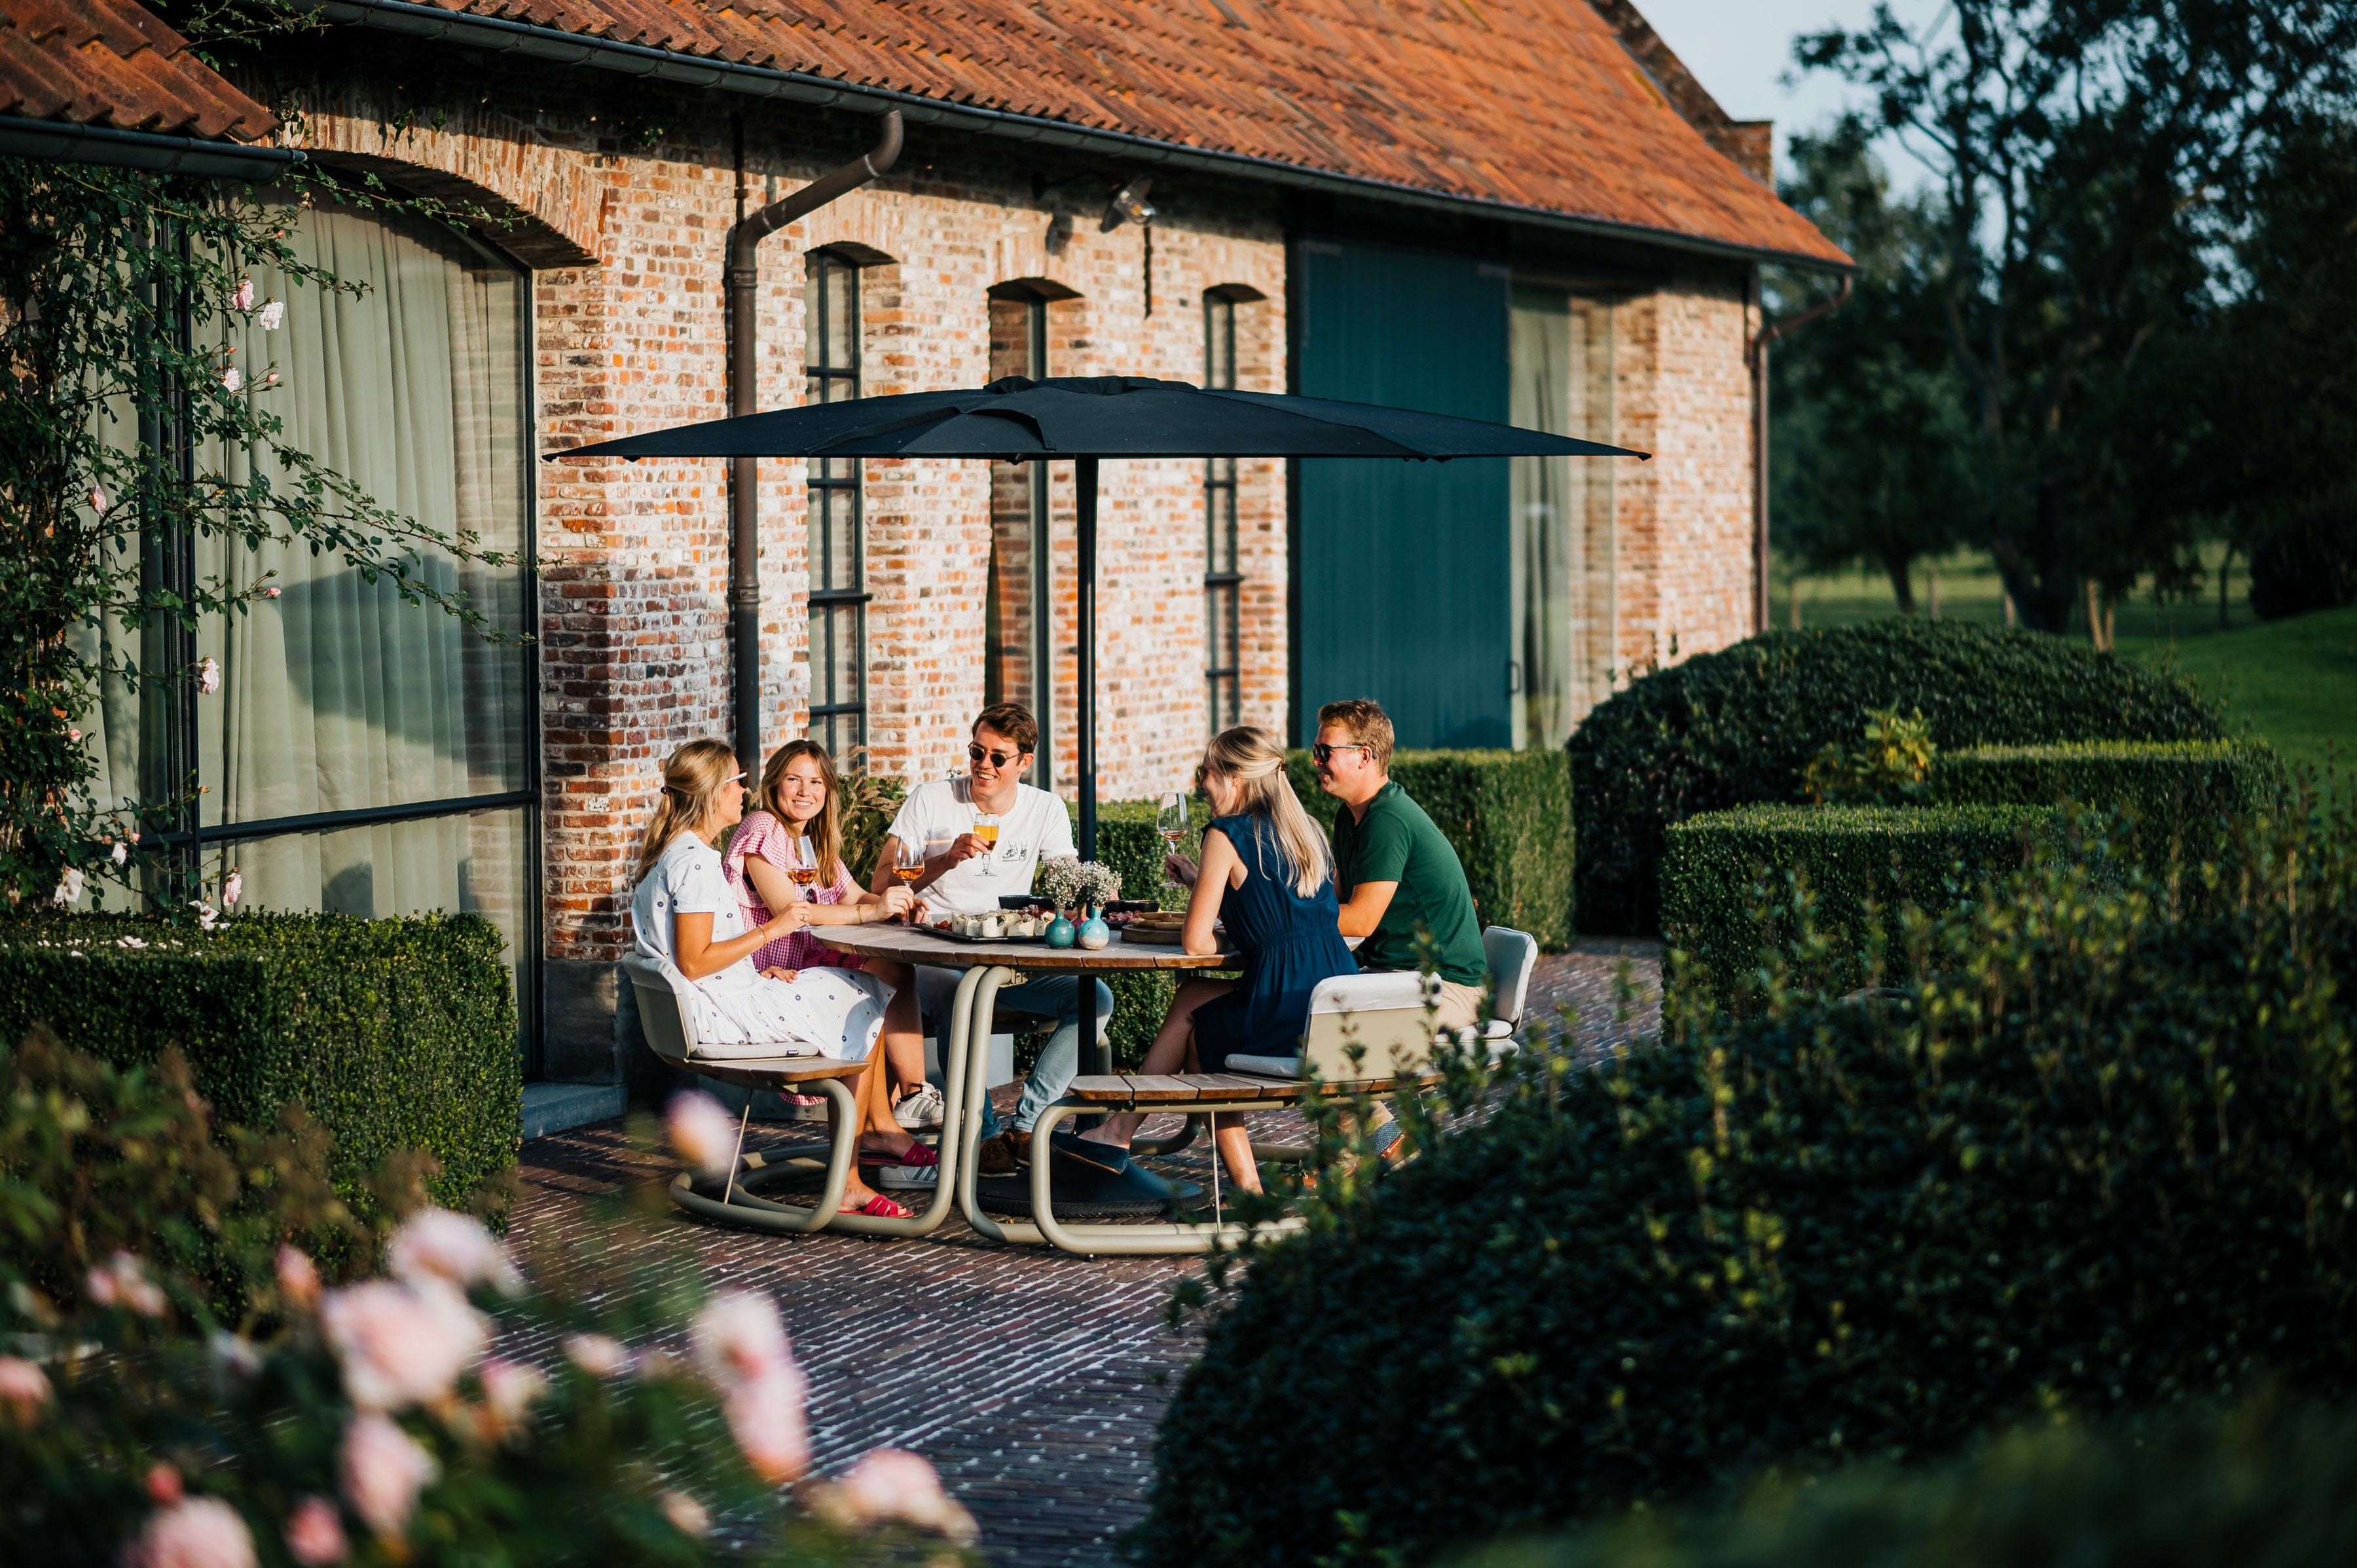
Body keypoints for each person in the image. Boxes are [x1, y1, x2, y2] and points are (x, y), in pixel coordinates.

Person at [632, 738, 934, 1218]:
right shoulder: (697, 860)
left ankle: (869, 1146)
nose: (744, 789)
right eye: (736, 781)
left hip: (734, 995)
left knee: (870, 985)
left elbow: (702, 955)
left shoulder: (684, 854)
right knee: (865, 995)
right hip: (730, 1014)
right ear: (712, 792)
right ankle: (852, 1175)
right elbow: (693, 962)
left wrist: (882, 905)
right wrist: (771, 933)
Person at [1073, 725, 1357, 1194]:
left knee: (1200, 1035)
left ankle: (1135, 1141)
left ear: (1235, 777)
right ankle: (1124, 1137)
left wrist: (1213, 907)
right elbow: (1276, 909)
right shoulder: (1307, 831)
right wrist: (1200, 882)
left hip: (1283, 1009)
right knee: (1194, 1000)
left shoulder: (1226, 834)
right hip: (1331, 997)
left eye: (1206, 772)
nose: (1201, 783)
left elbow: (1196, 943)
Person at [868, 703, 1113, 1177]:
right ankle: (980, 1139)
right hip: (936, 953)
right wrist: (944, 859)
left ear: (1024, 762)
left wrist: (1087, 891)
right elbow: (881, 883)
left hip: (1006, 958)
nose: (983, 764)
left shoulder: (1045, 808)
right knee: (964, 996)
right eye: (977, 751)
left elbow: (1065, 874)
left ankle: (1025, 1125)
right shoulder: (931, 800)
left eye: (999, 757)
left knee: (1094, 999)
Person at [724, 738, 940, 1137]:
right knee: (877, 982)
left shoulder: (813, 842)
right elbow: (789, 909)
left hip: (810, 959)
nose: (806, 792)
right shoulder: (763, 827)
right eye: (794, 780)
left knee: (895, 970)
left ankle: (910, 1098)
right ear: (774, 785)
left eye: (817, 783)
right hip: (769, 969)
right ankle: (883, 1126)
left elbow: (854, 894)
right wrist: (871, 912)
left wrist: (894, 903)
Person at [1313, 697, 1489, 1034]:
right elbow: (1331, 898)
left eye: (1325, 752)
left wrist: (1282, 919)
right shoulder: (1351, 815)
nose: (1315, 760)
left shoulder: (1387, 819)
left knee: (1332, 1031)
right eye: (1316, 749)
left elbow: (1360, 920)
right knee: (1299, 1010)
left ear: (1364, 756)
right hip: (1398, 979)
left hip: (1445, 986)